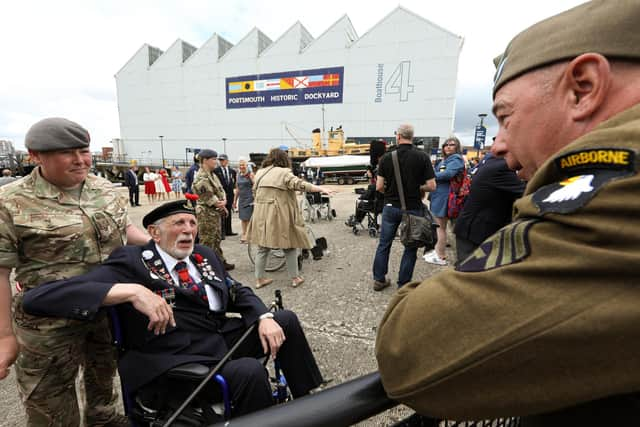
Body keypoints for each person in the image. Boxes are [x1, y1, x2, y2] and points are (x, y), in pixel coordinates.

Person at [376, 1, 640, 424]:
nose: (497, 144)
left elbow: (408, 349)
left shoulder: (619, 187)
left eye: (506, 116)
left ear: (584, 88)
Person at [21, 200, 324, 418]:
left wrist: (263, 317)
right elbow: (39, 298)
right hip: (172, 355)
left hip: (216, 341)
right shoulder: (132, 261)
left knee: (285, 319)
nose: (189, 230)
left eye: (192, 223)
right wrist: (131, 291)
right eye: (179, 223)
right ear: (154, 232)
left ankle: (311, 404)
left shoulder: (203, 256)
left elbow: (235, 290)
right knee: (248, 372)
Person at [0, 117, 149, 426]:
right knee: (50, 406)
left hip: (106, 311)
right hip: (47, 324)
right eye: (67, 153)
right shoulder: (10, 202)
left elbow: (126, 229)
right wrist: (4, 336)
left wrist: (164, 246)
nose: (80, 160)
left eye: (84, 151)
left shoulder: (103, 188)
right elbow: (0, 273)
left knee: (104, 382)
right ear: (35, 156)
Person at [247, 148, 334, 289]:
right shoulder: (284, 172)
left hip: (261, 214)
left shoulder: (260, 173)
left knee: (263, 248)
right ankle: (295, 278)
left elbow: (254, 192)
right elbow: (299, 184)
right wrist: (320, 188)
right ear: (284, 159)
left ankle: (259, 279)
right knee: (289, 245)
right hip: (278, 214)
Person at [371, 124, 436, 291]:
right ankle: (403, 284)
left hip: (391, 207)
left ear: (398, 137)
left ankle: (379, 280)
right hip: (413, 208)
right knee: (410, 246)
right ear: (412, 137)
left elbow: (378, 187)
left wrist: (391, 193)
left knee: (384, 244)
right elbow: (432, 186)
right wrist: (417, 189)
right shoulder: (422, 157)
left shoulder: (386, 158)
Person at [453, 151, 525, 264]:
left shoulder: (493, 161)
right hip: (477, 232)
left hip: (473, 228)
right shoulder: (502, 167)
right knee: (471, 273)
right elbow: (526, 192)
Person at [423, 137, 465, 266]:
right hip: (439, 196)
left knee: (440, 228)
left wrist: (429, 176)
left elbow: (448, 174)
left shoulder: (456, 159)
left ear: (457, 147)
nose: (448, 146)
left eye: (451, 145)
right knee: (439, 227)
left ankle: (440, 256)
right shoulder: (446, 160)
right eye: (446, 145)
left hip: (445, 197)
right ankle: (438, 252)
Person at [192, 149, 234, 271]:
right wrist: (220, 204)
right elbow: (208, 196)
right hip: (206, 213)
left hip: (214, 212)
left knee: (216, 239)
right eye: (213, 159)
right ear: (205, 160)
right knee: (207, 241)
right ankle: (206, 266)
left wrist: (224, 201)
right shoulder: (201, 177)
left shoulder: (212, 174)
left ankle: (219, 262)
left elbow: (221, 190)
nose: (216, 162)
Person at [214, 154, 237, 236]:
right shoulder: (216, 171)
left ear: (227, 161)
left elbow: (233, 183)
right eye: (220, 160)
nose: (221, 162)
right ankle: (222, 232)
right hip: (220, 196)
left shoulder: (232, 171)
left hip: (230, 195)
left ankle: (229, 231)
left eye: (223, 160)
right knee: (221, 213)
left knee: (229, 213)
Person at [233, 157, 254, 243]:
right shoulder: (237, 175)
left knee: (248, 218)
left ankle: (248, 235)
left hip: (249, 198)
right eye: (240, 165)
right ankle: (244, 233)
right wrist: (235, 201)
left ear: (246, 165)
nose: (242, 166)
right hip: (241, 198)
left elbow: (255, 185)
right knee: (242, 218)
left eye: (243, 165)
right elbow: (237, 189)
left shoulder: (250, 174)